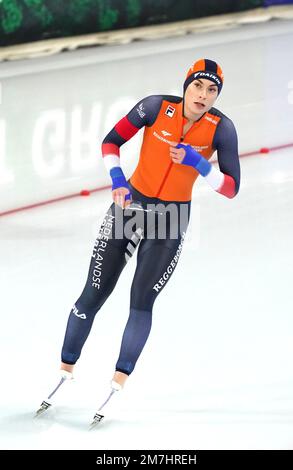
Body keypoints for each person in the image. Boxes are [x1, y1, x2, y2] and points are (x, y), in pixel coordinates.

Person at [37, 58, 240, 423]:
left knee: (141, 302)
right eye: (198, 86)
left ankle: (117, 381)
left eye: (212, 90)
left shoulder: (221, 129)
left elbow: (231, 188)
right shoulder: (154, 107)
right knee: (92, 294)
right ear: (186, 86)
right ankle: (65, 369)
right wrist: (117, 180)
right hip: (129, 205)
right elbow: (111, 141)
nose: (203, 95)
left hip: (171, 219)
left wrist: (199, 163)